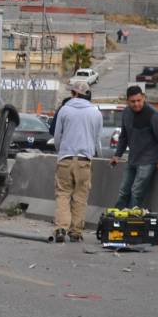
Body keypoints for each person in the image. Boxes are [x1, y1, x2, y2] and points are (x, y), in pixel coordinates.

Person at [52, 79, 102, 243]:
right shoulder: (95, 112)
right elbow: (96, 139)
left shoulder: (64, 110)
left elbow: (57, 136)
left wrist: (61, 152)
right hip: (84, 160)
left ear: (74, 93)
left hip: (66, 159)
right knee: (80, 196)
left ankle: (61, 228)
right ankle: (75, 231)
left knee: (63, 194)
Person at [110, 85, 158, 209]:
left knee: (136, 192)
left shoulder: (154, 115)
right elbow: (124, 136)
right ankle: (117, 220)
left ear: (144, 98)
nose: (136, 104)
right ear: (127, 101)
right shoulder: (126, 113)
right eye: (132, 102)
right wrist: (117, 155)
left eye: (139, 100)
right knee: (123, 191)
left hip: (148, 161)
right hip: (132, 159)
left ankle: (132, 221)